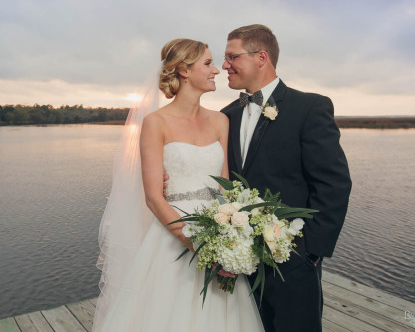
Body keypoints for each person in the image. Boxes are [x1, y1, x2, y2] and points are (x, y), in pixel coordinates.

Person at [92, 38, 264, 332]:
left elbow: (226, 189)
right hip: (173, 242)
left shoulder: (221, 121)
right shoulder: (156, 123)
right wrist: (199, 245)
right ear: (184, 70)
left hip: (219, 230)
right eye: (208, 64)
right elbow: (153, 198)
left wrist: (230, 240)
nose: (216, 71)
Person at [221, 24, 352, 332]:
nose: (224, 65)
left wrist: (311, 253)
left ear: (261, 57)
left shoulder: (309, 108)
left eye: (231, 57)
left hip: (293, 262)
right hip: (241, 262)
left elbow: (333, 184)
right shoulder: (226, 115)